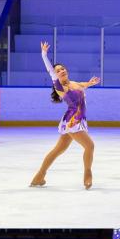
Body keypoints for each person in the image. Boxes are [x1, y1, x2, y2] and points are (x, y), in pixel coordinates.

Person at [30, 41, 101, 190]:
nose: (61, 71)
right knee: (90, 146)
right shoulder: (60, 87)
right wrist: (44, 54)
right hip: (72, 121)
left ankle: (39, 176)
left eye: (62, 68)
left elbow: (81, 85)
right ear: (55, 76)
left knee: (58, 150)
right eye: (58, 71)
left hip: (75, 120)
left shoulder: (74, 83)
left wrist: (90, 83)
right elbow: (50, 71)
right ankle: (87, 173)